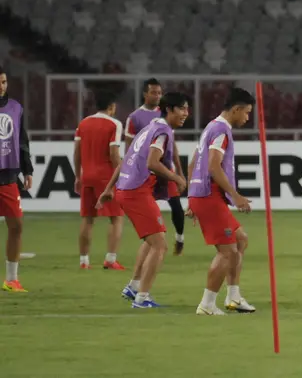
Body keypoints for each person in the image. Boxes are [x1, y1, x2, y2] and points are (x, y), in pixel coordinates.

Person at [98, 92, 189, 308]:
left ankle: (134, 286)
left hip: (127, 189)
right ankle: (142, 298)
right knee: (160, 246)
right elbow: (152, 162)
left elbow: (126, 159)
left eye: (187, 109)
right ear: (169, 109)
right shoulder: (162, 131)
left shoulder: (148, 128)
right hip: (136, 191)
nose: (186, 113)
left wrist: (110, 188)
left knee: (152, 240)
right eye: (182, 109)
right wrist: (177, 177)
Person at [187, 88, 256, 315]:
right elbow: (213, 166)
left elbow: (195, 161)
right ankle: (207, 304)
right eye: (246, 113)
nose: (247, 118)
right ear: (235, 109)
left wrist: (191, 196)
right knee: (227, 252)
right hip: (209, 195)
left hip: (202, 194)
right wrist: (235, 196)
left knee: (241, 240)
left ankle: (233, 297)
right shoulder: (221, 130)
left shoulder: (211, 127)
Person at [125, 78, 186, 255]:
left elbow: (172, 146)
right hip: (145, 174)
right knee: (148, 210)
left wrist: (179, 172)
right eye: (153, 92)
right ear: (145, 94)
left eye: (159, 93)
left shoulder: (166, 114)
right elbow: (130, 148)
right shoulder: (135, 117)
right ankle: (152, 242)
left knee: (176, 206)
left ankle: (180, 238)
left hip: (165, 170)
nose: (157, 96)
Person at [73, 90, 126, 270]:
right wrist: (121, 174)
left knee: (88, 219)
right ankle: (110, 260)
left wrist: (78, 175)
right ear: (111, 107)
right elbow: (114, 153)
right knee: (116, 217)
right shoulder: (115, 124)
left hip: (87, 175)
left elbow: (77, 152)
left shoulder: (83, 124)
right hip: (106, 177)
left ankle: (83, 261)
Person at [0, 69, 33, 292]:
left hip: (8, 175)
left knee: (16, 225)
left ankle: (11, 279)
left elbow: (22, 140)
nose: (1, 86)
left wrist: (27, 170)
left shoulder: (16, 108)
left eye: (3, 81)